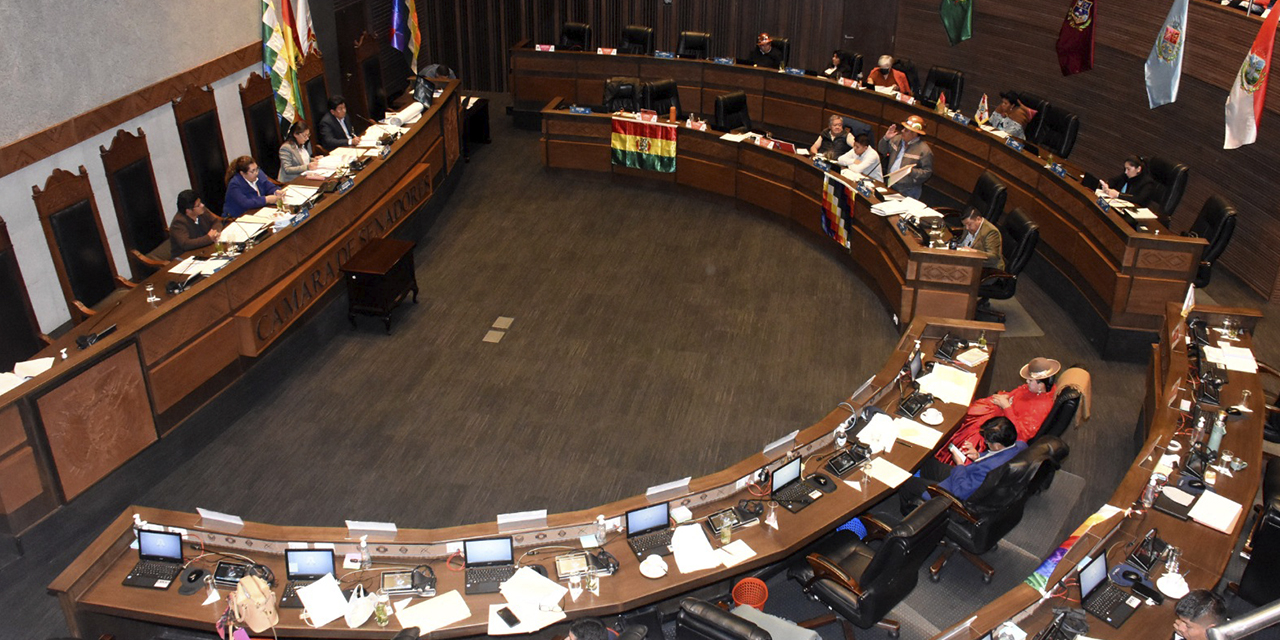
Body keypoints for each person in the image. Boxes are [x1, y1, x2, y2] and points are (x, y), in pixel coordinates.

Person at [935, 357, 1061, 464]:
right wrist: (1008, 397)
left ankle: (946, 457)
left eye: (1030, 380)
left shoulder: (1040, 408)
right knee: (968, 408)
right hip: (1001, 412)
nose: (1026, 382)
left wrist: (1007, 407)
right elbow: (1019, 393)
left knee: (969, 431)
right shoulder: (1036, 390)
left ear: (1041, 385)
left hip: (1003, 426)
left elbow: (1020, 435)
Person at [899, 417, 1026, 514]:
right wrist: (978, 456)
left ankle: (910, 515)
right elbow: (993, 456)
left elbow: (961, 491)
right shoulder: (1020, 446)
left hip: (956, 491)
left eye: (987, 440)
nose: (985, 442)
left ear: (998, 445)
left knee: (906, 482)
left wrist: (959, 464)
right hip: (969, 475)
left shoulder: (990, 469)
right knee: (928, 464)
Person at [878, 115, 933, 199]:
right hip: (890, 184)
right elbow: (882, 150)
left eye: (906, 130)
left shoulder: (924, 150)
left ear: (914, 133)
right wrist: (886, 139)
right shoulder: (896, 140)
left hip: (908, 190)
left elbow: (927, 172)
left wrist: (911, 171)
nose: (902, 131)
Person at [169, 190, 222, 255]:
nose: (202, 205)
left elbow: (216, 221)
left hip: (206, 249)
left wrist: (214, 232)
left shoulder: (202, 210)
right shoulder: (178, 223)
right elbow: (186, 244)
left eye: (200, 202)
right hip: (186, 257)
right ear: (188, 211)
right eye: (198, 205)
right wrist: (208, 238)